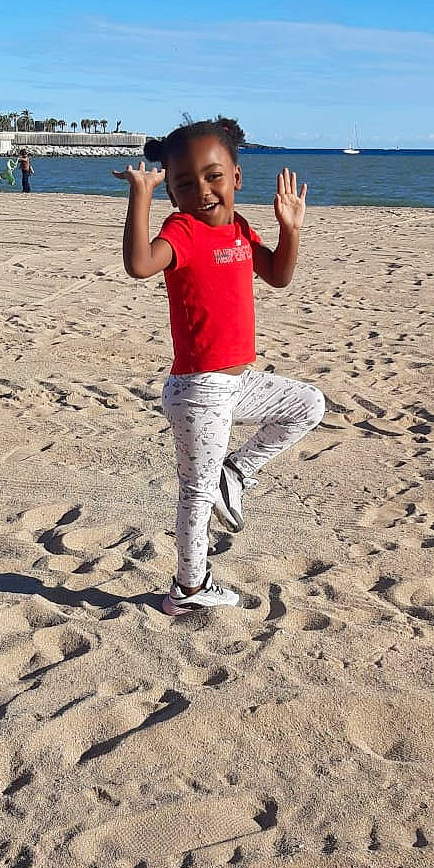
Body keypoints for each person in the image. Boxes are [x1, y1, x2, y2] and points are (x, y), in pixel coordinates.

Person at [114, 117, 325, 616]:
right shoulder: (180, 231)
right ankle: (189, 587)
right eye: (184, 183)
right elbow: (140, 264)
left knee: (307, 405)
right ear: (171, 190)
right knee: (196, 493)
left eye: (213, 177)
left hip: (238, 383)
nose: (202, 191)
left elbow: (278, 276)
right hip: (198, 389)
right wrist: (140, 194)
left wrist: (290, 230)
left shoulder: (239, 229)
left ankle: (238, 473)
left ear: (236, 176)